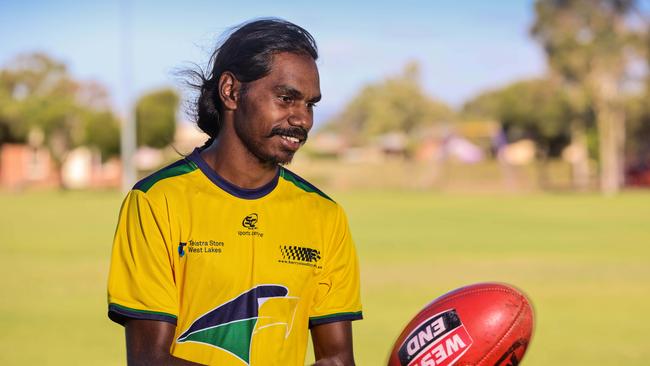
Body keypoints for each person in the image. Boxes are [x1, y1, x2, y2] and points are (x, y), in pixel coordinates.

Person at [106, 18, 363, 365]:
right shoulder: (157, 201)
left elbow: (337, 360)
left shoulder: (325, 216)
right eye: (286, 98)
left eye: (310, 104)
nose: (302, 119)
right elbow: (149, 359)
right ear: (231, 91)